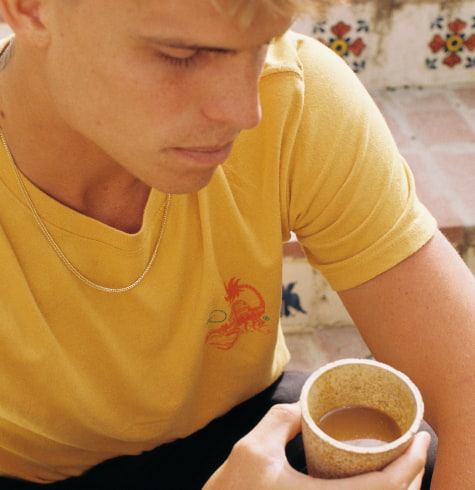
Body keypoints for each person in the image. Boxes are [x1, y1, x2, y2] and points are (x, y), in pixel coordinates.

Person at [0, 0, 472, 488]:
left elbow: (467, 394)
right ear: (31, 9)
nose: (246, 111)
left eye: (260, 45)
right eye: (179, 55)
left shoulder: (294, 96)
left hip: (241, 427)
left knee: (419, 456)